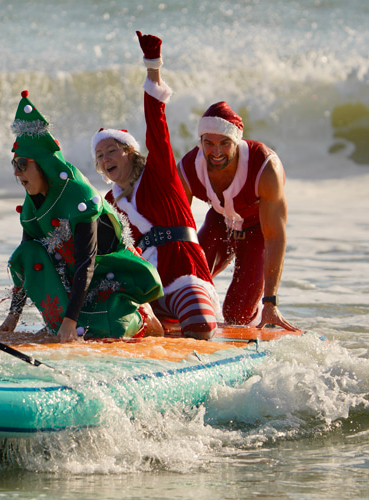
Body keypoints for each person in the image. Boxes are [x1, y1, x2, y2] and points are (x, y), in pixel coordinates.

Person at [0, 90, 164, 343]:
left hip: (110, 271)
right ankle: (62, 323)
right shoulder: (32, 207)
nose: (17, 173)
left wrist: (69, 322)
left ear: (43, 163)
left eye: (22, 164)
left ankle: (143, 314)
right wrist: (11, 321)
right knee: (28, 253)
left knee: (108, 329)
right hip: (72, 277)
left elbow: (87, 262)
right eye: (14, 165)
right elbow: (23, 266)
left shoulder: (78, 195)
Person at [92, 32, 220, 340]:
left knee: (201, 325)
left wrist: (153, 67)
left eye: (112, 150)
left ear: (130, 152)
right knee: (116, 328)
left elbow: (156, 124)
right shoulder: (108, 201)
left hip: (184, 269)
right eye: (99, 155)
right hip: (145, 283)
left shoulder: (157, 173)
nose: (106, 158)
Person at [177, 102, 298, 331]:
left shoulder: (264, 167)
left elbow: (275, 237)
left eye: (225, 143)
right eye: (209, 144)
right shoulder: (188, 168)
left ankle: (259, 324)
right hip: (219, 224)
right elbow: (176, 229)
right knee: (187, 280)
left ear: (237, 141)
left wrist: (270, 303)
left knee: (236, 314)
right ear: (200, 142)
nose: (217, 152)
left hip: (257, 231)